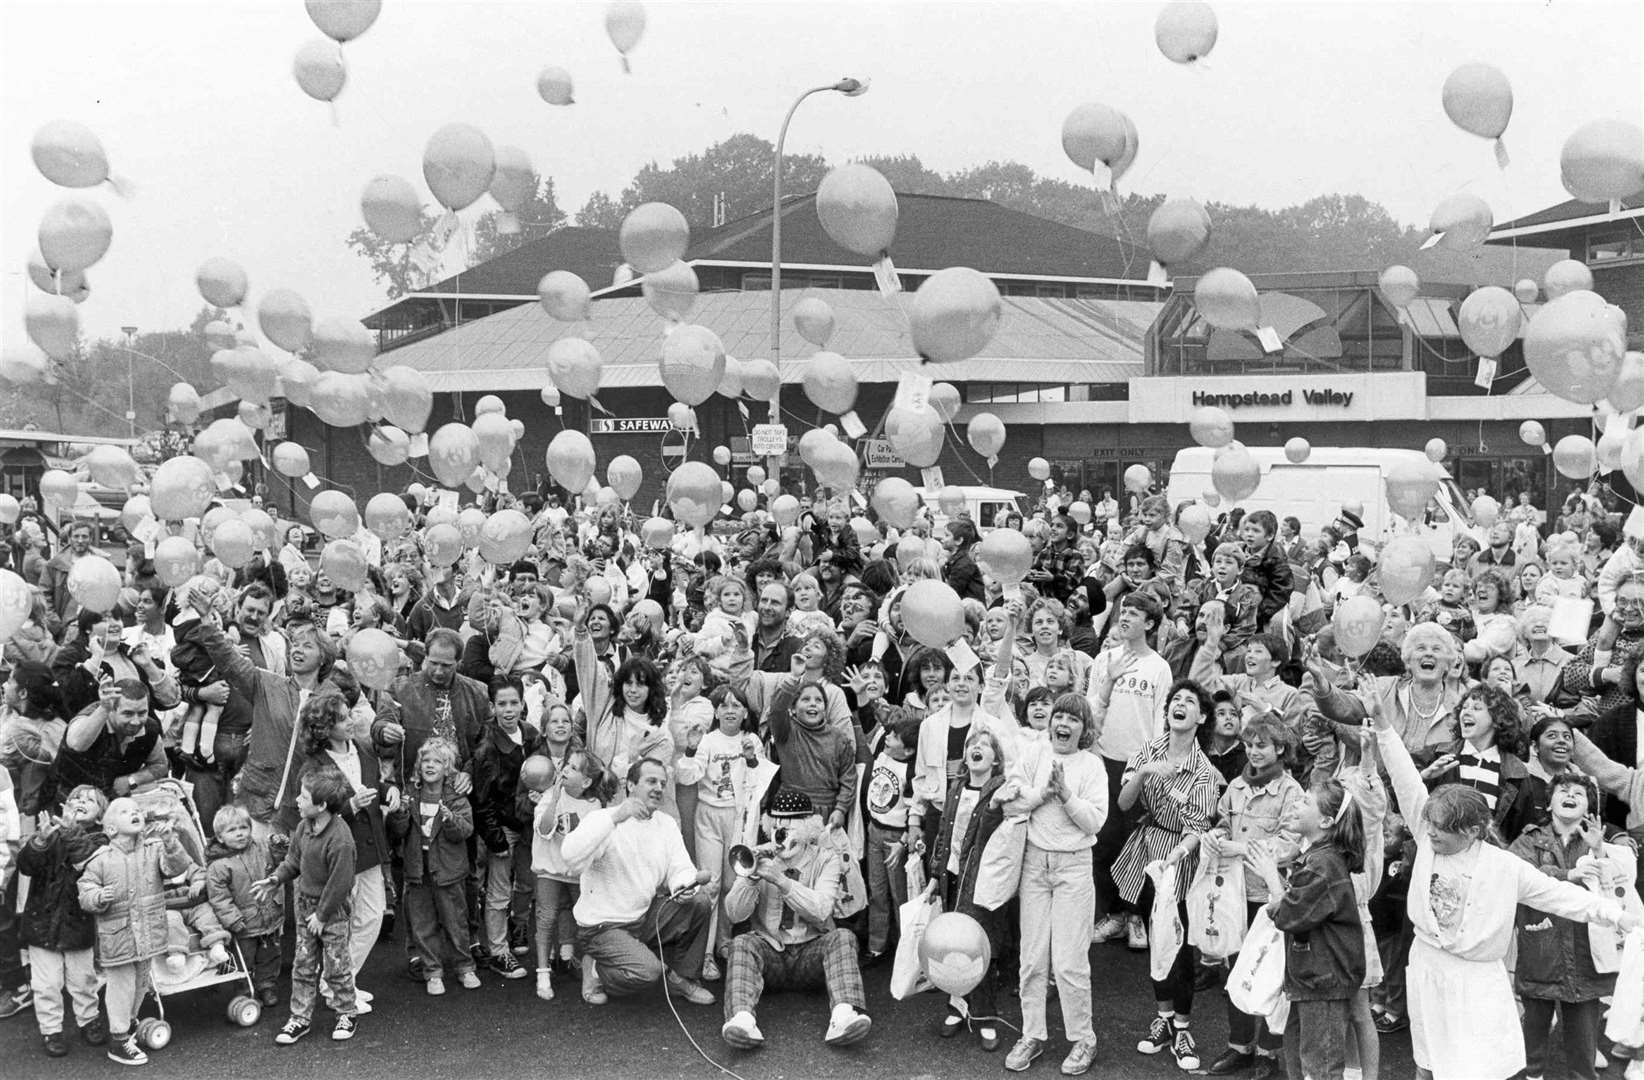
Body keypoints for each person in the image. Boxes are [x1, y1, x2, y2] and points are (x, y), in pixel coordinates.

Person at [1368, 698, 1639, 1080]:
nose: (1428, 834)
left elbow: (1563, 897)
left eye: (1440, 829)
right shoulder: (1429, 837)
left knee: (1478, 1070)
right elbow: (1405, 777)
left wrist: (1619, 917)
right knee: (1426, 1065)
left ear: (1472, 831)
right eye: (1427, 824)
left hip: (1478, 980)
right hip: (1427, 966)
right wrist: (1382, 724)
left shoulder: (1506, 867)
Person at [997, 694, 1109, 1076]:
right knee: (1031, 959)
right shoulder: (1034, 754)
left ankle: (1083, 1039)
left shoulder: (1092, 765)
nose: (1063, 724)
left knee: (1069, 962)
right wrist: (1039, 794)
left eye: (1073, 719)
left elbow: (1094, 822)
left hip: (1074, 868)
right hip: (1034, 864)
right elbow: (1010, 803)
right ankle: (1032, 1035)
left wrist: (1064, 795)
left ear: (1084, 728)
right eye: (1059, 716)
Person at [719, 790, 872, 1050]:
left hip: (812, 956)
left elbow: (821, 910)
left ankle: (844, 1015)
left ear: (806, 829)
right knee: (742, 942)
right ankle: (742, 1019)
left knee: (844, 937)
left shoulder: (826, 859)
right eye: (776, 827)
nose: (780, 835)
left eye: (787, 829)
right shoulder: (762, 857)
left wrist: (781, 880)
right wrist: (751, 879)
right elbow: (735, 914)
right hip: (771, 958)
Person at [1118, 680, 1220, 1073]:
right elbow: (1125, 803)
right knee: (1156, 937)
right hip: (1147, 853)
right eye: (1175, 700)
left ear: (1201, 717)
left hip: (1182, 859)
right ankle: (1163, 1017)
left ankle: (1182, 1027)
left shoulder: (1205, 772)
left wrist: (1177, 857)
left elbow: (1198, 828)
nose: (1180, 705)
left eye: (1189, 702)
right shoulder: (1148, 751)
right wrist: (1144, 772)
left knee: (1178, 945)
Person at [560, 757, 715, 1006]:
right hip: (602, 927)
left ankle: (685, 978)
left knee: (699, 902)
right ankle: (598, 968)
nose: (658, 788)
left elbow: (681, 867)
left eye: (663, 783)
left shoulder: (665, 824)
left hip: (641, 918)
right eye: (651, 781)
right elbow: (569, 856)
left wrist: (684, 886)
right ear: (630, 785)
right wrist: (616, 818)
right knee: (648, 973)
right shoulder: (605, 818)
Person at [1245, 776, 1368, 1080]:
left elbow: (1289, 915)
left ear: (1326, 821)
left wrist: (1272, 878)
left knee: (1320, 1068)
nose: (1297, 802)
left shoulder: (1323, 865)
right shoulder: (1316, 857)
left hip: (1322, 982)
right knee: (1301, 1062)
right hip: (1310, 979)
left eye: (1306, 801)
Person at [1508, 772, 1619, 1080]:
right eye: (1563, 790)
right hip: (1541, 945)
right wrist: (1567, 875)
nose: (1570, 796)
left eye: (1579, 794)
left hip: (1586, 954)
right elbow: (1518, 876)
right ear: (1550, 800)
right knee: (1533, 1033)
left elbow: (1616, 891)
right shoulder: (1529, 839)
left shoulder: (1597, 841)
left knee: (1584, 1044)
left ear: (1589, 806)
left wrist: (1599, 851)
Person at [77, 795, 192, 1066]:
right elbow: (85, 889)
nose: (135, 812)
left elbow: (177, 867)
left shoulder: (153, 849)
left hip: (147, 934)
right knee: (121, 986)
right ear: (111, 828)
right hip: (118, 935)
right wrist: (96, 896)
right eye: (126, 811)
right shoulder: (101, 859)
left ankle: (127, 1025)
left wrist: (170, 841)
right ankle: (118, 1040)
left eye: (137, 810)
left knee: (140, 983)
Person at [1089, 593, 1173, 949]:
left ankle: (1136, 915)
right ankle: (1113, 916)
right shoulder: (1103, 660)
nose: (1124, 619)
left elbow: (1160, 721)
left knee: (1134, 844)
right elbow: (1092, 707)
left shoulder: (1159, 667)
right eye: (1123, 612)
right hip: (1103, 761)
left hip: (1138, 768)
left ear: (1150, 624)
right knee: (1104, 842)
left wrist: (1151, 767)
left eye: (1134, 614)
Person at [254, 768, 360, 1045]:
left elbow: (340, 883)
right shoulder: (303, 827)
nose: (297, 800)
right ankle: (299, 1018)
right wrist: (275, 879)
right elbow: (293, 862)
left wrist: (322, 916)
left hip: (331, 912)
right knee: (302, 965)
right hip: (305, 907)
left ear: (322, 805)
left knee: (336, 966)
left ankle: (347, 1012)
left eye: (303, 796)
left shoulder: (341, 839)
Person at [924, 728, 1010, 1053]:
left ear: (996, 759)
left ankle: (985, 1016)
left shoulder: (999, 791)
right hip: (952, 878)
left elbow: (999, 840)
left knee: (979, 946)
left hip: (983, 883)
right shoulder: (956, 788)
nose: (977, 748)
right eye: (972, 744)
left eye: (985, 745)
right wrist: (935, 875)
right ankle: (957, 1006)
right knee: (952, 944)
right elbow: (944, 836)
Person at [17, 784, 107, 1058]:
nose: (81, 800)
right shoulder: (48, 834)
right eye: (75, 797)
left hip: (78, 922)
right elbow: (26, 866)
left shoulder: (101, 840)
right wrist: (39, 842)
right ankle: (51, 1028)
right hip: (41, 921)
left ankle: (88, 1019)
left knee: (83, 979)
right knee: (46, 983)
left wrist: (70, 832)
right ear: (64, 806)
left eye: (90, 800)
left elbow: (86, 859)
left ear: (100, 816)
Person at [386, 737, 478, 996]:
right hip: (418, 869)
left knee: (455, 921)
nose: (430, 765)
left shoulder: (455, 796)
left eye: (437, 761)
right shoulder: (411, 794)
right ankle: (433, 971)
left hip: (448, 870)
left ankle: (464, 966)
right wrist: (400, 813)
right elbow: (398, 831)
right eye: (425, 760)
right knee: (422, 923)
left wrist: (450, 820)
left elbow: (466, 830)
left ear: (447, 767)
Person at [531, 746, 616, 1001]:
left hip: (577, 872)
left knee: (580, 917)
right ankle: (543, 972)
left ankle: (571, 959)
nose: (566, 769)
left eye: (574, 768)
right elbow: (544, 829)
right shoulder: (549, 796)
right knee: (545, 917)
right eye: (566, 765)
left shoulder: (594, 805)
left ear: (587, 781)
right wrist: (554, 798)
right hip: (549, 867)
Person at [205, 803, 283, 1011]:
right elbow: (219, 898)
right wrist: (233, 919)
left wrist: (278, 849)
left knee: (270, 954)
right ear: (220, 837)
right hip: (244, 922)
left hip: (268, 913)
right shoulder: (218, 865)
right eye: (232, 830)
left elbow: (275, 865)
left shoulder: (260, 848)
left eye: (243, 828)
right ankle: (244, 990)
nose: (240, 834)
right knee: (244, 958)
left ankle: (267, 986)